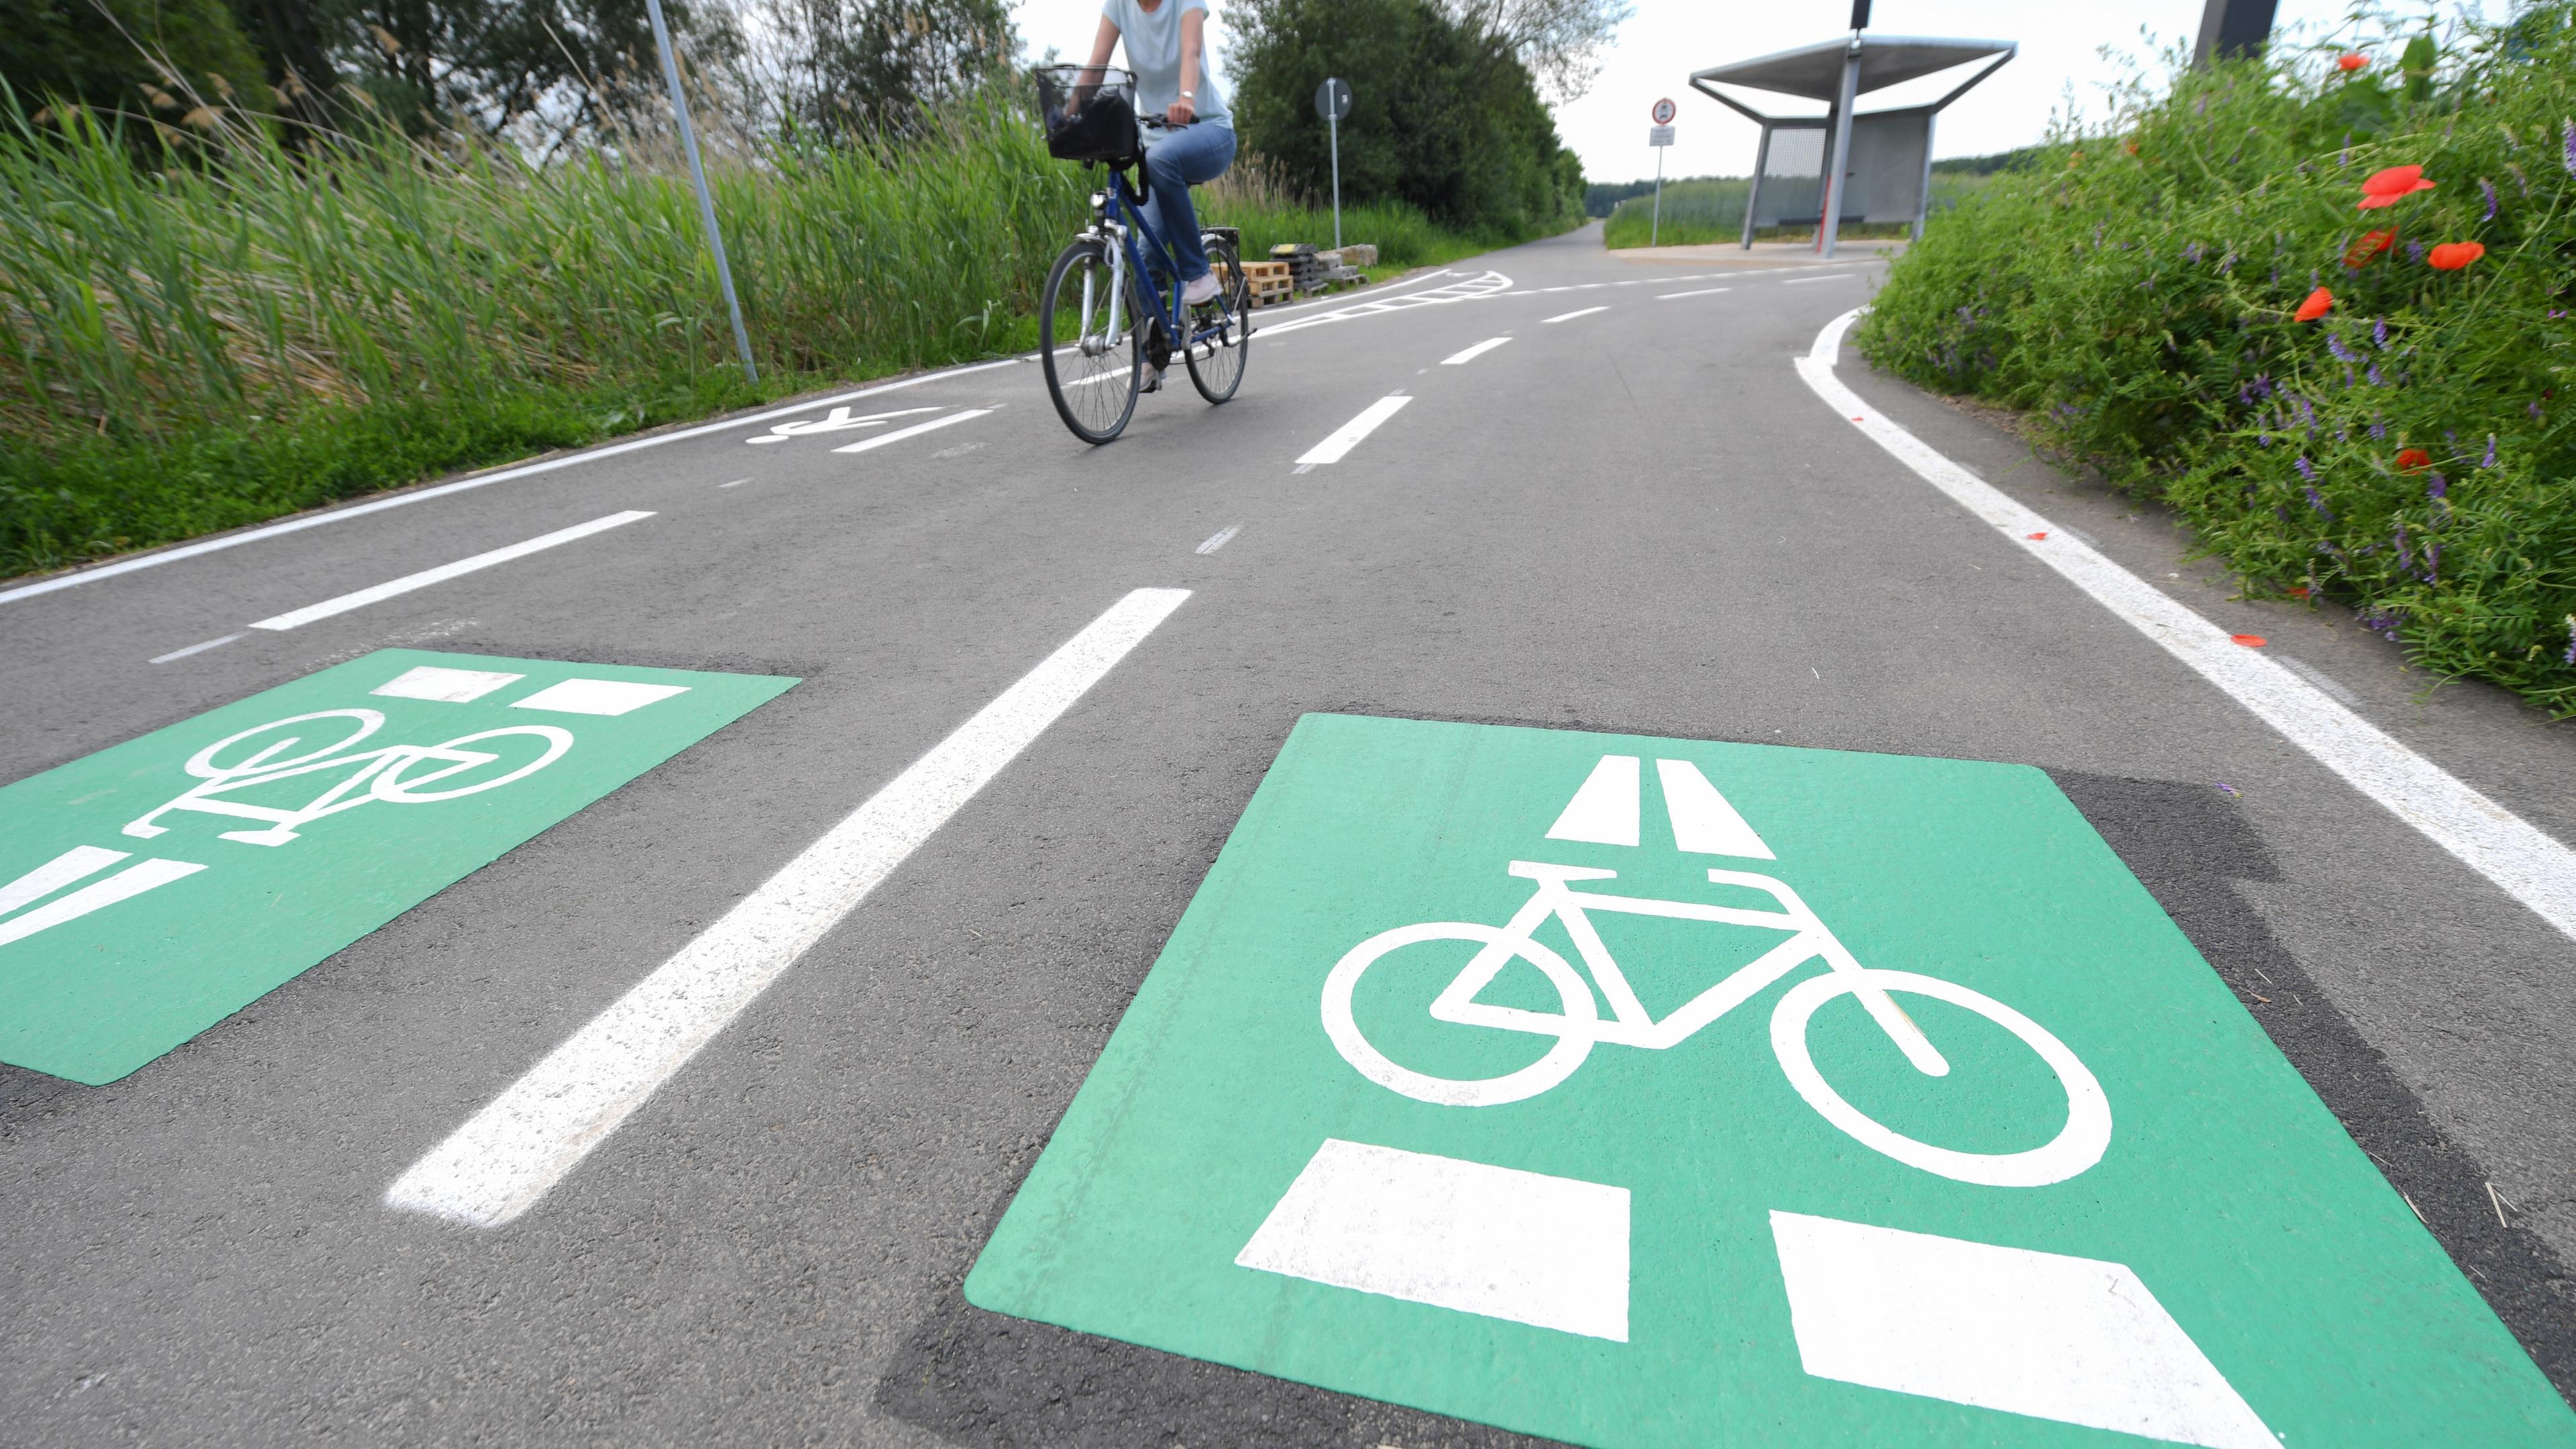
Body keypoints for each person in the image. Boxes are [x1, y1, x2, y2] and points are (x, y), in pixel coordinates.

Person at [1080, 0, 1236, 390]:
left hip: (1207, 131)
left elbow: (1191, 51)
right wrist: (1066, 115)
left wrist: (1186, 96)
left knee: (1164, 158)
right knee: (1144, 252)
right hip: (1156, 144)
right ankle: (1157, 351)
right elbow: (1097, 65)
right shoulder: (1119, 5)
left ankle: (1198, 273)